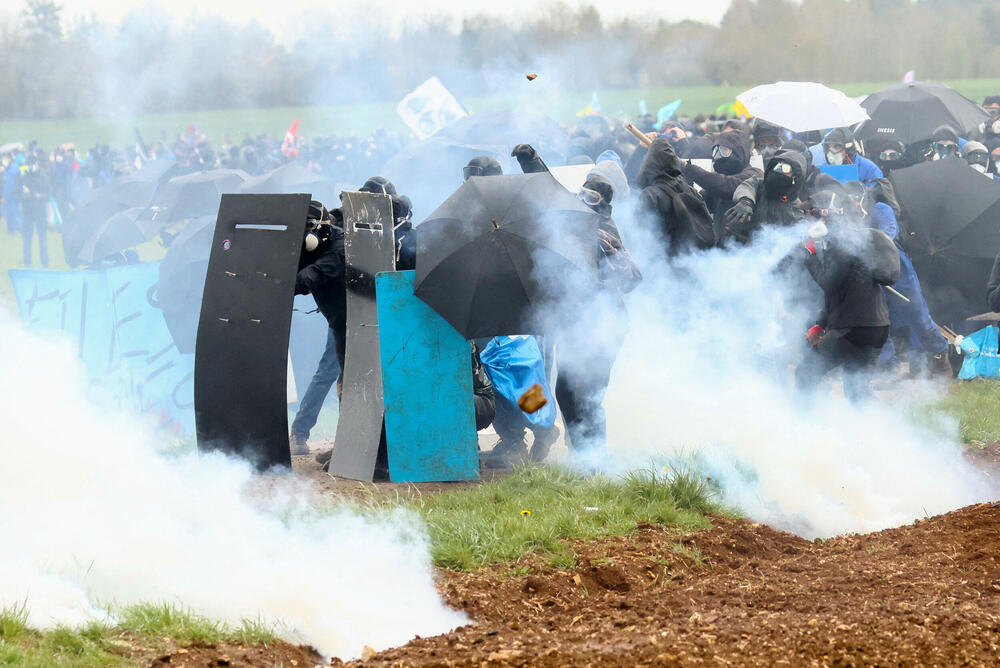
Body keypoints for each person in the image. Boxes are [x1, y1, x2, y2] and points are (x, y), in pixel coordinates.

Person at [794, 191, 892, 403]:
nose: (807, 220)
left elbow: (828, 283)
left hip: (854, 329)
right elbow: (838, 289)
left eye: (812, 213)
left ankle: (800, 427)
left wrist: (809, 256)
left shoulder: (841, 242)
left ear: (826, 214)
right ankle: (879, 432)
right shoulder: (844, 239)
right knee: (856, 391)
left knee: (805, 373)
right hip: (873, 326)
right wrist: (821, 324)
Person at [290, 201, 346, 454]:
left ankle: (347, 446)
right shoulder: (312, 242)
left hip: (355, 320)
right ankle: (299, 433)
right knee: (328, 374)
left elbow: (305, 280)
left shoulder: (339, 247)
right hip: (338, 321)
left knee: (347, 379)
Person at [681, 128, 761, 245]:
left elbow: (727, 186)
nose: (718, 156)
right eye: (715, 151)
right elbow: (699, 203)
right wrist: (684, 181)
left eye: (724, 151)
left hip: (746, 249)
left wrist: (689, 168)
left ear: (739, 152)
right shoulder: (717, 184)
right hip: (722, 249)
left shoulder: (754, 174)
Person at [634, 137, 714, 253]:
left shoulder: (650, 194)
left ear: (648, 162)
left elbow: (640, 231)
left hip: (662, 258)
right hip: (689, 255)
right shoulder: (689, 189)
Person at [725, 149, 808, 244]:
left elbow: (797, 233)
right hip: (735, 243)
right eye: (777, 167)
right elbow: (746, 188)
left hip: (765, 252)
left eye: (785, 169)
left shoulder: (795, 206)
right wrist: (745, 201)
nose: (779, 171)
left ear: (795, 178)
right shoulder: (758, 184)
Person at [810, 127, 884, 184]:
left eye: (836, 147)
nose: (831, 152)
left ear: (848, 150)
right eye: (828, 147)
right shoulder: (824, 169)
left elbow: (880, 199)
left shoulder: (869, 169)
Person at [18, 153, 51, 267]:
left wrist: (39, 196)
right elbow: (15, 194)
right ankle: (27, 262)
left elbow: (48, 194)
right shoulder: (23, 177)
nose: (31, 166)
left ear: (37, 164)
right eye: (29, 164)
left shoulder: (43, 176)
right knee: (27, 239)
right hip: (27, 212)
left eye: (33, 163)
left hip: (40, 212)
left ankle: (45, 262)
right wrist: (24, 197)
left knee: (42, 239)